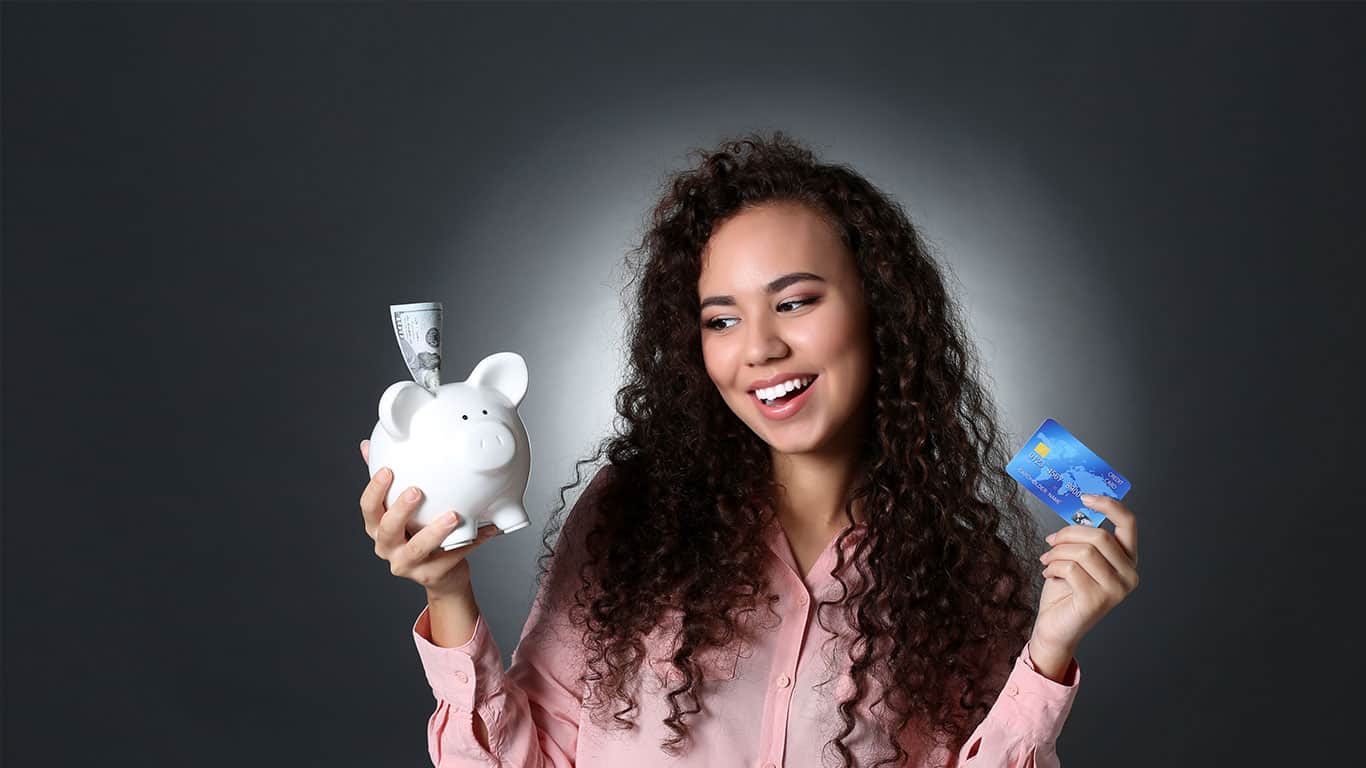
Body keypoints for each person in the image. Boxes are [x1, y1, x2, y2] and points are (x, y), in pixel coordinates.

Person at [357, 131, 1140, 768]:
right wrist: (448, 589)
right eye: (721, 319)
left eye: (795, 302)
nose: (759, 349)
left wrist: (1047, 652)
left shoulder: (961, 579)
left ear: (881, 310)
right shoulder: (631, 521)